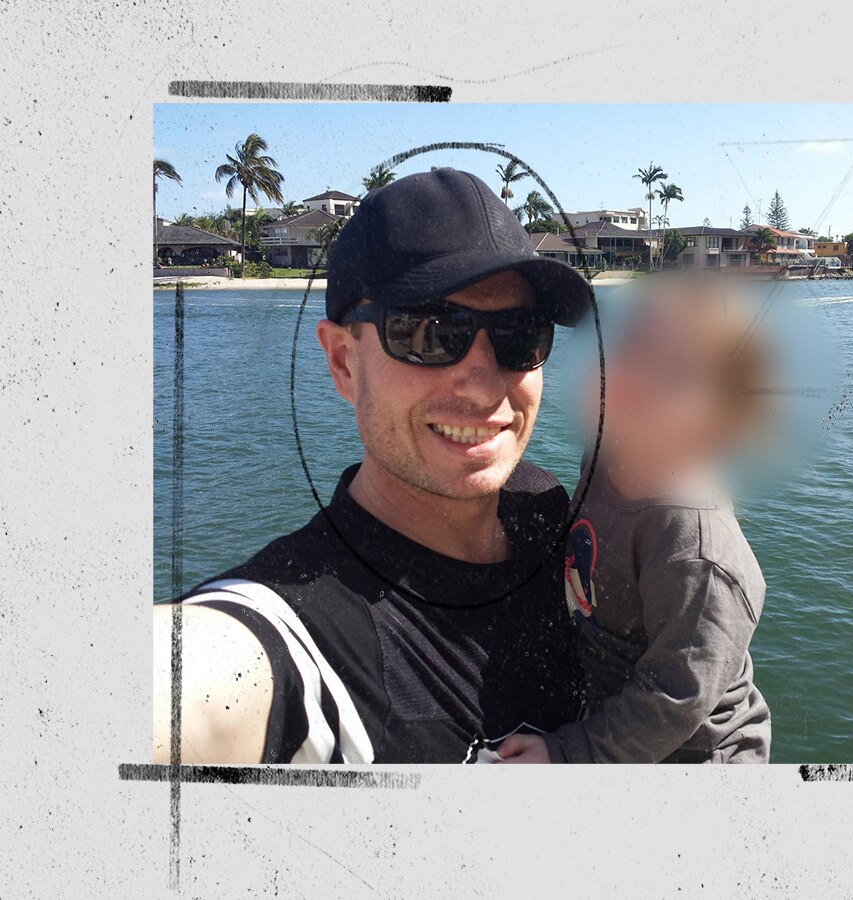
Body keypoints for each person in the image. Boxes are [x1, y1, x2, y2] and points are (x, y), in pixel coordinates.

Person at [151, 168, 594, 764]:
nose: (486, 385)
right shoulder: (303, 633)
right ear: (342, 361)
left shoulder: (551, 515)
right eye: (433, 333)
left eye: (520, 335)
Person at [495, 278, 772, 764]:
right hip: (609, 693)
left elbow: (673, 702)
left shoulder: (697, 554)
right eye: (631, 347)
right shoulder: (605, 455)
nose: (636, 376)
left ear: (719, 423)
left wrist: (565, 756)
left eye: (676, 372)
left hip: (696, 754)